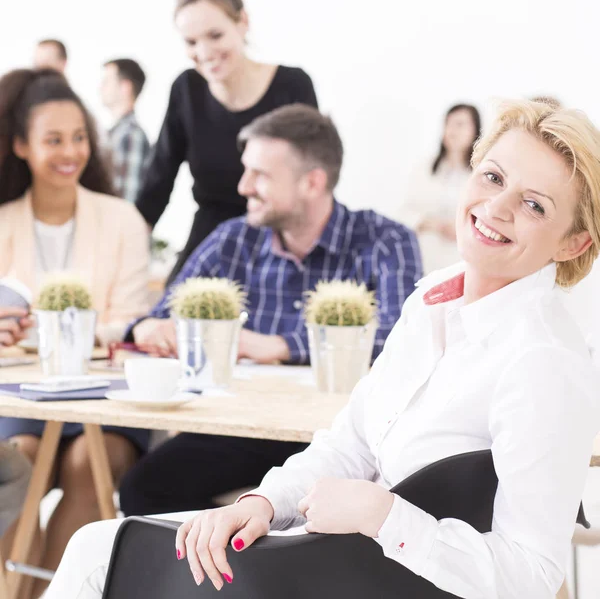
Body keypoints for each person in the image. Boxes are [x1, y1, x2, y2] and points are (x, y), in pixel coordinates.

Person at [45, 99, 600, 599]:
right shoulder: (434, 300)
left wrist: (385, 515)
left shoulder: (544, 361)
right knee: (107, 542)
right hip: (334, 557)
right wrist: (261, 503)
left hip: (370, 576)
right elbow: (350, 443)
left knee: (101, 554)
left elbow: (532, 575)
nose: (497, 208)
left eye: (534, 205)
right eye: (492, 176)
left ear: (575, 241)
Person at [117, 104, 421, 517]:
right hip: (244, 430)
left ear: (313, 182)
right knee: (143, 489)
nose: (243, 186)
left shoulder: (386, 241)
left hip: (340, 441)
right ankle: (237, 568)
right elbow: (160, 313)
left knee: (333, 518)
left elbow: (401, 342)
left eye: (259, 174)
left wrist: (279, 345)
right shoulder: (233, 238)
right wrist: (149, 327)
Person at [0, 68, 151, 598]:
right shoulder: (2, 221)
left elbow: (130, 322)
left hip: (105, 394)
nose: (71, 152)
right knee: (15, 458)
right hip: (23, 395)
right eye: (54, 140)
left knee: (92, 464)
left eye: (80, 137)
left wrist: (45, 330)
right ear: (20, 145)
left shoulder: (122, 219)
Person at [135, 0, 319, 285]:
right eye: (191, 42)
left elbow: (312, 181)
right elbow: (158, 181)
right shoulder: (186, 89)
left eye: (215, 35)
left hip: (278, 239)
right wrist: (125, 249)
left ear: (243, 22)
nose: (204, 52)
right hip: (209, 242)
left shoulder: (293, 86)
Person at [397, 104, 481, 274]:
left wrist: (460, 228)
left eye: (459, 124)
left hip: (462, 262)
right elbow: (404, 213)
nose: (452, 130)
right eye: (448, 124)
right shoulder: (425, 167)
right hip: (425, 258)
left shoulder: (482, 173)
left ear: (475, 129)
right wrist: (435, 225)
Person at [100, 58, 151, 204]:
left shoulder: (131, 136)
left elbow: (125, 202)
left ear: (125, 87)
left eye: (107, 81)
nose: (100, 87)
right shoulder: (114, 134)